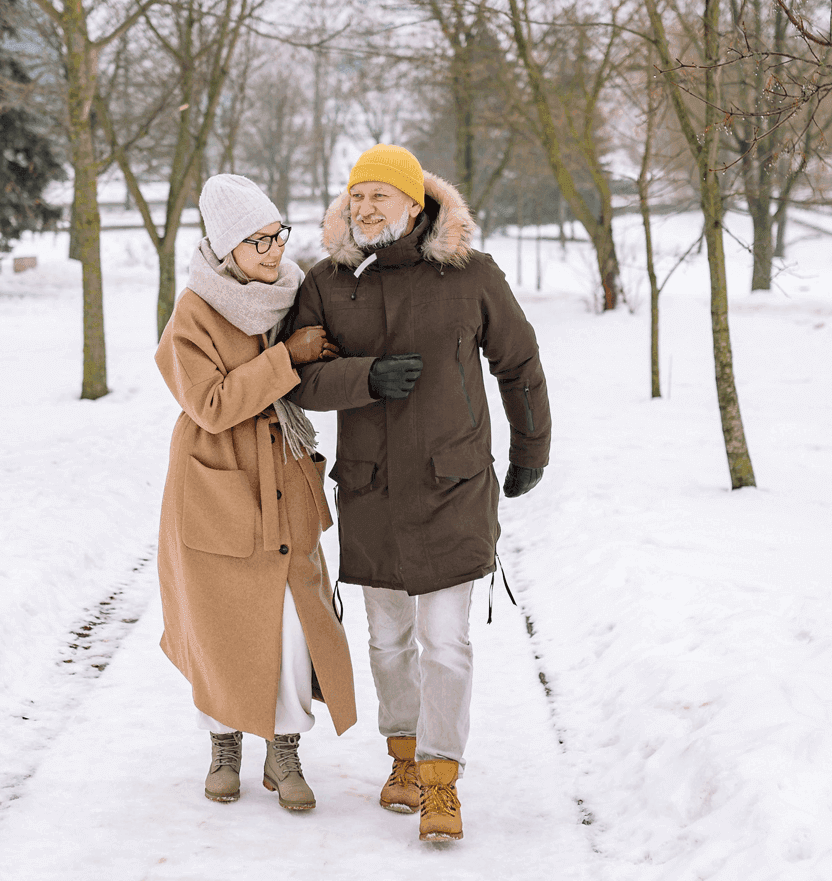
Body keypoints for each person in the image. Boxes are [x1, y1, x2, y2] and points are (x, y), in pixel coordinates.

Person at [287, 143, 551, 841]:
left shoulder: (470, 275)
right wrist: (363, 379)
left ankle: (441, 780)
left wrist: (531, 451)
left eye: (381, 194)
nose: (366, 206)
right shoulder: (327, 284)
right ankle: (400, 756)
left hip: (451, 485)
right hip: (371, 492)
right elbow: (297, 379)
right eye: (357, 195)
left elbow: (519, 364)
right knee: (387, 643)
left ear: (416, 203)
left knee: (446, 643)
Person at [155, 173, 357, 812]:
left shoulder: (293, 293)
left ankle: (285, 744)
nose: (273, 252)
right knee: (219, 621)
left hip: (283, 474)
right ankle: (224, 742)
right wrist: (287, 359)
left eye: (277, 236)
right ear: (224, 247)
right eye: (256, 241)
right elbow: (212, 404)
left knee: (295, 622)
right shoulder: (193, 312)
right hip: (217, 479)